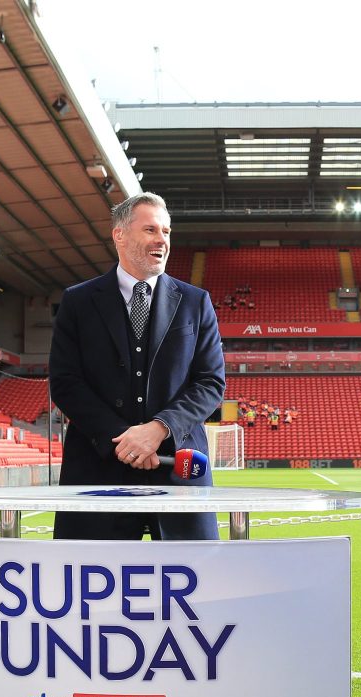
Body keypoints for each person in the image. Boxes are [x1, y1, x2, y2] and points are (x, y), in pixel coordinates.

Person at [49, 192, 225, 541]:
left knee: (197, 587)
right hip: (97, 470)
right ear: (120, 234)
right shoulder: (78, 302)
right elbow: (66, 382)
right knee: (92, 587)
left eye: (167, 231)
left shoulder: (195, 302)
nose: (162, 239)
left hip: (179, 469)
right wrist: (123, 440)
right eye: (150, 230)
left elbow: (210, 383)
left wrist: (158, 429)